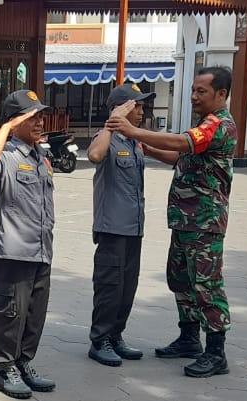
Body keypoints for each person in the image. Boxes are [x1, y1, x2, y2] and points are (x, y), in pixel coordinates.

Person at [106, 66, 237, 378]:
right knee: (180, 279)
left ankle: (216, 352)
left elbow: (182, 143)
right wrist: (147, 148)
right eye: (192, 90)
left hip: (204, 222)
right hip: (185, 220)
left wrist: (134, 132)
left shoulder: (219, 125)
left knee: (206, 285)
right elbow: (182, 158)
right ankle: (189, 338)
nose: (193, 96)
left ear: (221, 94)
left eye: (201, 91)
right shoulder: (204, 123)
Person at [0, 90, 58, 399]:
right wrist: (7, 128)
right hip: (13, 252)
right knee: (10, 314)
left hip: (41, 251)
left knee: (35, 315)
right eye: (31, 117)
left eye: (39, 116)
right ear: (15, 121)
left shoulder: (42, 159)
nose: (39, 122)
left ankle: (24, 363)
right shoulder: (7, 156)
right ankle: (5, 368)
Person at [85, 83, 156, 367]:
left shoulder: (132, 142)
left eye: (141, 106)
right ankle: (99, 340)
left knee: (128, 286)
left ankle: (116, 336)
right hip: (112, 228)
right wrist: (112, 125)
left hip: (133, 228)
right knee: (109, 287)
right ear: (121, 109)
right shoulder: (108, 138)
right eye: (135, 106)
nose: (141, 111)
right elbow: (93, 155)